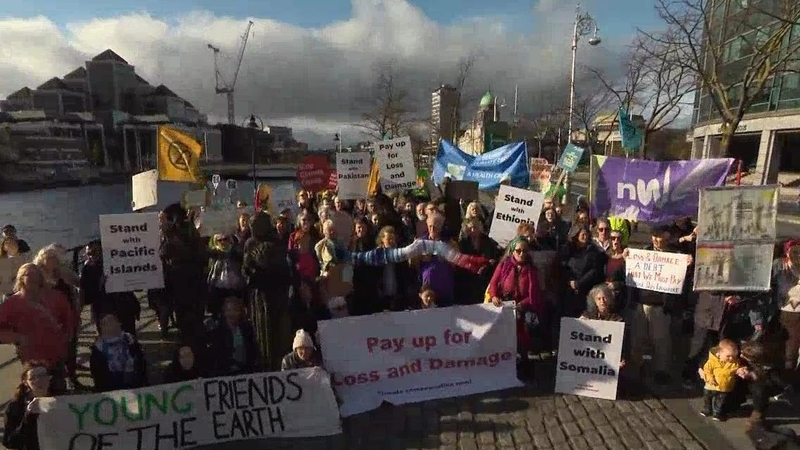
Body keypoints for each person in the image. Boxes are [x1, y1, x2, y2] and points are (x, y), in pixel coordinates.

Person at [0, 264, 76, 394]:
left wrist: (66, 338)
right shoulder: (11, 304)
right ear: (20, 278)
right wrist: (18, 338)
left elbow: (69, 319)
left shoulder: (56, 296)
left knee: (59, 389)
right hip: (31, 358)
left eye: (36, 273)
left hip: (56, 352)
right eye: (28, 274)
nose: (33, 277)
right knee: (36, 391)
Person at [89, 313, 147, 392]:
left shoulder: (130, 340)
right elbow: (98, 376)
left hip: (132, 384)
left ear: (119, 324)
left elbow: (141, 363)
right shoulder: (98, 349)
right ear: (102, 328)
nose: (111, 326)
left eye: (113, 322)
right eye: (107, 324)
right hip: (111, 388)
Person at [3, 361, 51, 450]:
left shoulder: (61, 400)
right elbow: (10, 442)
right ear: (25, 382)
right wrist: (28, 416)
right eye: (33, 378)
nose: (39, 380)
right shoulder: (15, 406)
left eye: (43, 375)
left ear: (49, 378)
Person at [207, 297, 260, 376]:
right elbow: (218, 355)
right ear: (224, 313)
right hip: (226, 374)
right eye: (229, 310)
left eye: (235, 310)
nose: (232, 313)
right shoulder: (218, 332)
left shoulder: (247, 330)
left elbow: (253, 351)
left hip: (246, 372)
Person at [698, 339, 741, 421]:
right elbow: (707, 369)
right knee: (707, 397)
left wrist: (740, 370)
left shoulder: (734, 363)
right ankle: (707, 409)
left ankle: (717, 413)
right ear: (720, 353)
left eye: (733, 356)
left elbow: (737, 369)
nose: (730, 358)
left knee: (720, 401)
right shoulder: (712, 361)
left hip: (725, 386)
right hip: (711, 385)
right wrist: (710, 377)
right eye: (728, 356)